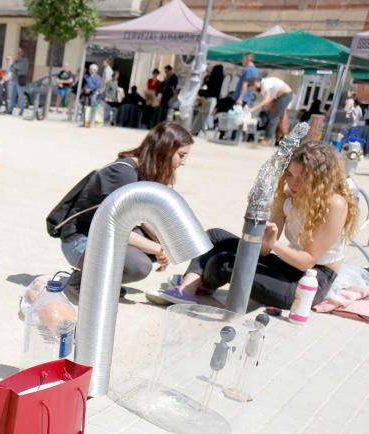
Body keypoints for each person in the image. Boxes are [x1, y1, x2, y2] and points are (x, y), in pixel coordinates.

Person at [154, 141, 356, 309]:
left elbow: (307, 261)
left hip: (309, 282)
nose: (293, 184)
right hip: (287, 265)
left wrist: (274, 244)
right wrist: (261, 233)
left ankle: (200, 282)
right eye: (289, 175)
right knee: (215, 236)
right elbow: (264, 251)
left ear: (319, 180)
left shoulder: (334, 204)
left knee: (226, 263)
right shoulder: (287, 196)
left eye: (302, 179)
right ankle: (189, 288)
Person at [58, 122, 194, 287]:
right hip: (80, 241)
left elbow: (144, 218)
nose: (183, 162)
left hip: (101, 236)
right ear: (164, 150)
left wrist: (164, 245)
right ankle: (86, 283)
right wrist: (159, 249)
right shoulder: (124, 173)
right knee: (139, 265)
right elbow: (113, 226)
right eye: (181, 155)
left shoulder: (145, 172)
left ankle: (99, 281)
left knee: (159, 245)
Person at [247, 76, 293, 146]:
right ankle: (281, 139)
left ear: (256, 83)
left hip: (285, 95)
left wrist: (253, 109)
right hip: (278, 97)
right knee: (274, 117)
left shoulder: (265, 83)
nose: (253, 90)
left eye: (252, 88)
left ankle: (267, 140)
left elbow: (266, 99)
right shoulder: (263, 87)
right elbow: (267, 101)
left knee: (274, 118)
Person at [7, 48, 29, 115]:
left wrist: (13, 65)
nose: (18, 54)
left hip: (20, 80)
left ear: (23, 53)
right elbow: (11, 68)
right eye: (18, 52)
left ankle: (21, 111)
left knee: (21, 96)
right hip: (14, 80)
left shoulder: (25, 60)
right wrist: (13, 66)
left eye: (20, 52)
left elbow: (18, 67)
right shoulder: (16, 60)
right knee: (12, 96)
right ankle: (10, 110)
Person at [80, 63, 101, 128]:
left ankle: (92, 123)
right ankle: (84, 122)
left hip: (94, 95)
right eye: (89, 69)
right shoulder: (87, 76)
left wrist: (90, 89)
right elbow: (84, 84)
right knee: (85, 108)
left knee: (94, 108)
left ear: (95, 70)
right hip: (86, 95)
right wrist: (85, 89)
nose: (89, 70)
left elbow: (97, 85)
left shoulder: (98, 77)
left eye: (91, 69)